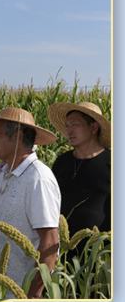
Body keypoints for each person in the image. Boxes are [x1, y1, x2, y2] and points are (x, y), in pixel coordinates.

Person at [0, 108, 60, 299]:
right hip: (2, 288)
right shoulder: (4, 174)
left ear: (17, 137)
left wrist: (31, 296)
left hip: (23, 292)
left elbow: (50, 242)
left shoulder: (38, 179)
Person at [47, 102, 111, 259]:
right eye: (67, 126)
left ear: (94, 128)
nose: (69, 130)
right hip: (62, 252)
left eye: (75, 124)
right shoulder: (62, 162)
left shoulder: (113, 162)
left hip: (100, 253)